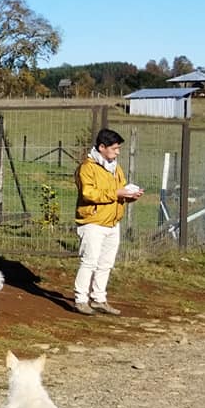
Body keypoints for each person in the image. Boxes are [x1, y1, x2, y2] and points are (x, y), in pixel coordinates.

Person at [73, 128, 142, 315]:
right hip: (93, 221)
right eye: (114, 148)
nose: (117, 152)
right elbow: (88, 194)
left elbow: (120, 188)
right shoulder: (87, 168)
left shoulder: (115, 167)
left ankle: (99, 298)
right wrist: (117, 193)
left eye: (118, 148)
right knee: (89, 261)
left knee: (106, 263)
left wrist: (129, 195)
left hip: (112, 222)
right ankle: (80, 299)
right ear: (102, 147)